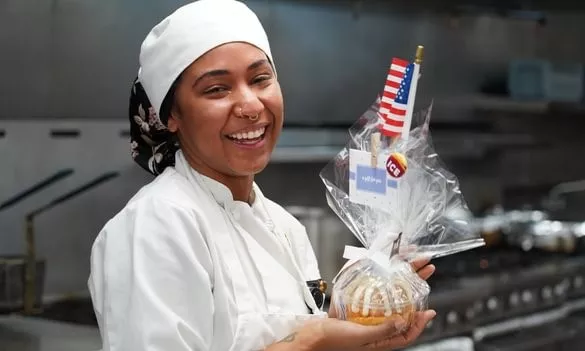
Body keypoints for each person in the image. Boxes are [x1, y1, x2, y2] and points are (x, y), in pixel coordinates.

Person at [88, 1, 436, 350]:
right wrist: (311, 340)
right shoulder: (154, 226)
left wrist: (351, 330)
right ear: (171, 115)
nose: (251, 106)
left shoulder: (286, 229)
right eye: (216, 89)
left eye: (260, 79)